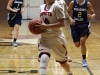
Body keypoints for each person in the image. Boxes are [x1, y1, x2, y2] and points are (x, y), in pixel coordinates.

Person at [35, 0, 73, 75]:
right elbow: (41, 22)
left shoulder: (57, 7)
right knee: (44, 59)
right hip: (45, 38)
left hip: (57, 38)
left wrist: (46, 26)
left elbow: (62, 24)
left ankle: (69, 73)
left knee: (63, 63)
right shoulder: (41, 7)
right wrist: (37, 27)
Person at [66, 0, 95, 67]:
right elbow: (67, 12)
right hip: (75, 25)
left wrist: (91, 16)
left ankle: (84, 60)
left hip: (84, 25)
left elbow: (94, 14)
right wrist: (70, 20)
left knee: (82, 41)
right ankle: (72, 31)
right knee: (77, 45)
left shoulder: (87, 3)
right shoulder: (73, 2)